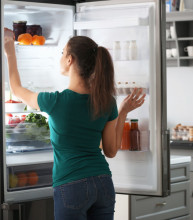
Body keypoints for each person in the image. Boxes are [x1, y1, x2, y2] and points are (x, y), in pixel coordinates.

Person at [4, 28, 146, 220]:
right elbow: (111, 151)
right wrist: (122, 114)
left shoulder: (55, 101)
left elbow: (17, 89)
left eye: (62, 53)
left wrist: (10, 52)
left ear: (70, 60)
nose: (61, 57)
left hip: (71, 186)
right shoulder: (107, 101)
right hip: (103, 183)